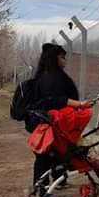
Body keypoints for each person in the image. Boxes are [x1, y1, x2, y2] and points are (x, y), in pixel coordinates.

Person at [29, 43, 92, 185]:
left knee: (55, 153)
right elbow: (56, 100)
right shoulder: (51, 78)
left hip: (51, 121)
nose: (65, 61)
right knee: (45, 156)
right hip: (50, 121)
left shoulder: (44, 76)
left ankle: (57, 181)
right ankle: (41, 188)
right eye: (62, 57)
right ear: (54, 59)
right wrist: (80, 105)